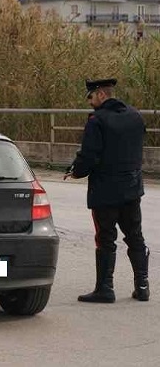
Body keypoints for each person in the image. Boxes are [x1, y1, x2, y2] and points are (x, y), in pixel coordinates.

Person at [66, 78, 149, 303]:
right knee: (135, 236)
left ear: (101, 94)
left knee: (105, 238)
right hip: (132, 189)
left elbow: (89, 155)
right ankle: (142, 286)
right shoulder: (134, 115)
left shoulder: (97, 120)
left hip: (105, 191)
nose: (90, 102)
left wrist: (75, 172)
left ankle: (105, 288)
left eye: (90, 97)